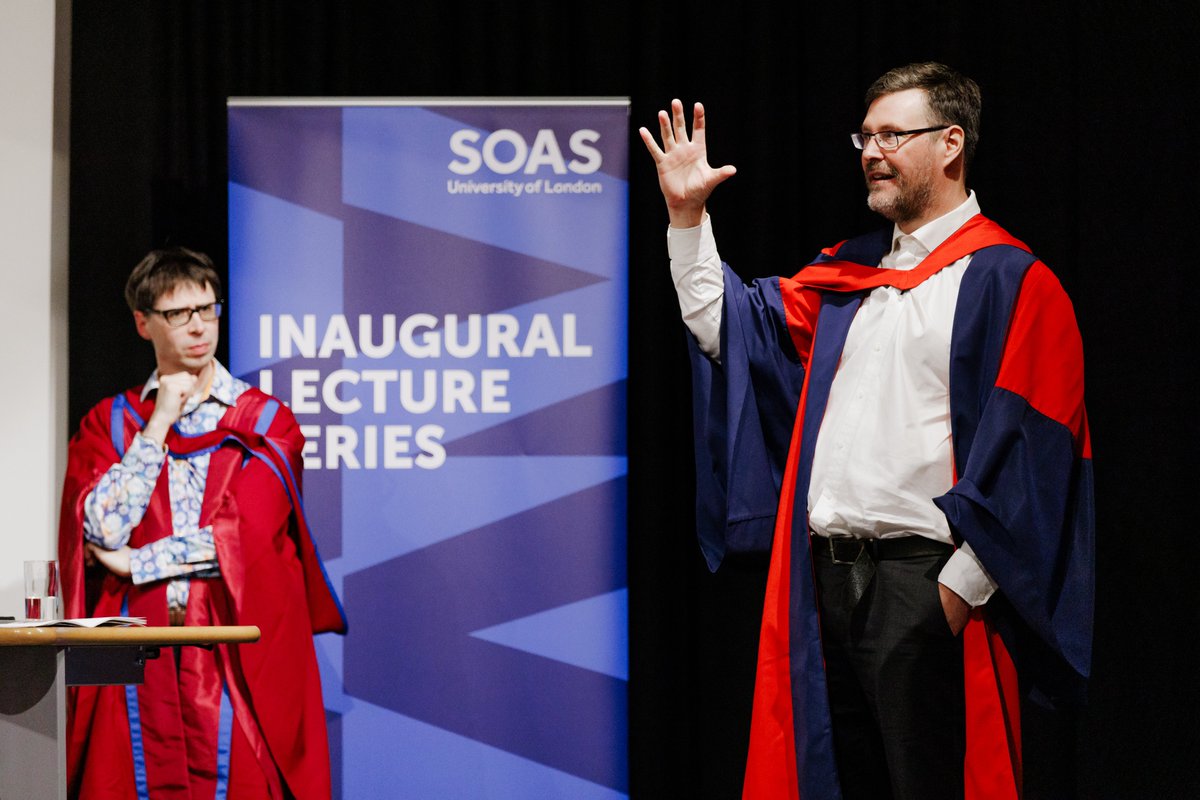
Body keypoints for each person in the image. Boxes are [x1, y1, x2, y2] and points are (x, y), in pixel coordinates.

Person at [640, 63, 1093, 800]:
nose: (871, 152)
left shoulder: (1011, 282)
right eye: (865, 135)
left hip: (925, 585)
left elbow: (1035, 463)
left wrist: (956, 591)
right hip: (824, 584)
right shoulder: (849, 281)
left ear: (951, 144)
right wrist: (687, 220)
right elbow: (729, 329)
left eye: (892, 135)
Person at [57, 247, 347, 799]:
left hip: (230, 647)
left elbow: (245, 537)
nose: (199, 327)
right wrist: (160, 421)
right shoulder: (113, 422)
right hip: (136, 652)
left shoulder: (265, 421)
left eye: (208, 310)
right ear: (143, 323)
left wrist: (140, 563)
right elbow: (102, 533)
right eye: (178, 314)